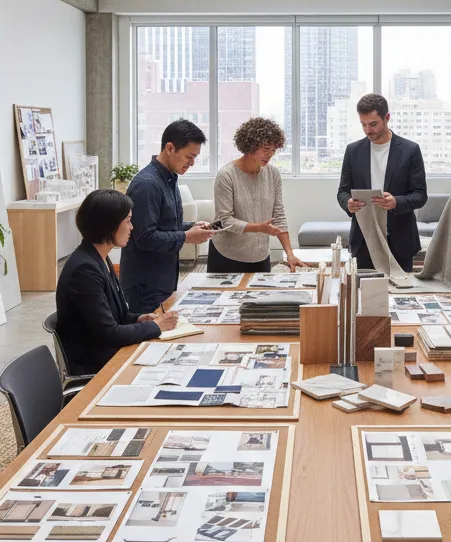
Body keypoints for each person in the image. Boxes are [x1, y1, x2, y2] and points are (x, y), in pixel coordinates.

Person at [56, 189, 179, 378]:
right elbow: (109, 333)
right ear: (110, 224)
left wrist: (139, 319)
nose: (132, 227)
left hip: (111, 353)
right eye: (128, 221)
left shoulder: (99, 258)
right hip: (99, 365)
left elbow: (116, 317)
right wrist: (156, 326)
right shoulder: (84, 270)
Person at [120, 119, 215, 315]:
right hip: (145, 286)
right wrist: (187, 236)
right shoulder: (147, 185)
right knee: (149, 334)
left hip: (162, 280)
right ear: (170, 148)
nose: (192, 163)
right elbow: (145, 237)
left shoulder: (169, 178)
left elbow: (165, 224)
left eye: (195, 157)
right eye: (189, 156)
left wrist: (190, 226)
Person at [337, 92, 427, 272]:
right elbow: (342, 192)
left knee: (401, 289)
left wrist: (396, 202)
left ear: (387, 118)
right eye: (363, 124)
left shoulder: (410, 150)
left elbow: (420, 195)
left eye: (373, 124)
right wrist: (348, 203)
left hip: (400, 240)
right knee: (363, 289)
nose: (368, 130)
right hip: (364, 239)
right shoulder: (353, 151)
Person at [210, 117, 307, 275]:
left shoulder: (273, 174)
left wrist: (290, 254)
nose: (270, 154)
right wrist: (258, 228)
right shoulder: (227, 175)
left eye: (273, 150)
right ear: (250, 145)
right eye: (266, 149)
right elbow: (224, 220)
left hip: (260, 255)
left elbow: (279, 215)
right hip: (228, 254)